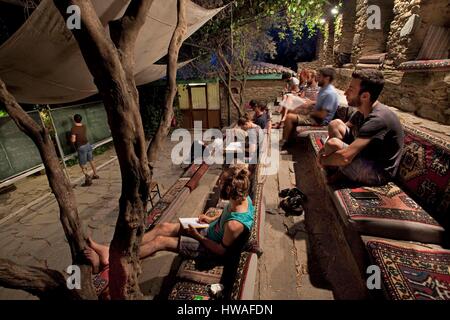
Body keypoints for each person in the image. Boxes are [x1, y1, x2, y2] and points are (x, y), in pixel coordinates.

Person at [84, 166, 255, 271]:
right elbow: (226, 212)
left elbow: (221, 251)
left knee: (160, 241)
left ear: (229, 192)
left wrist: (197, 236)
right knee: (163, 227)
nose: (218, 185)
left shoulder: (234, 225)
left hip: (209, 250)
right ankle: (111, 250)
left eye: (221, 184)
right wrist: (210, 219)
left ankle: (115, 260)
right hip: (209, 232)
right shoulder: (243, 197)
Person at [318, 69, 404, 186]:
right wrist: (326, 150)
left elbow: (345, 158)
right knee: (335, 124)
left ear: (365, 96)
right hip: (365, 155)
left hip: (377, 172)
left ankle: (337, 172)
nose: (345, 93)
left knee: (334, 144)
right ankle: (338, 169)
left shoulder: (378, 119)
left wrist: (323, 159)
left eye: (351, 90)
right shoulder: (362, 111)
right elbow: (343, 128)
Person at [280, 67, 339, 149]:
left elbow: (322, 115)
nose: (317, 78)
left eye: (320, 76)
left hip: (319, 121)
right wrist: (310, 104)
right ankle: (291, 140)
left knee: (289, 117)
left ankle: (286, 143)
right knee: (292, 109)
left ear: (327, 78)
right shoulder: (324, 90)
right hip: (315, 115)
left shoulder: (330, 94)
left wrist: (308, 111)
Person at [71, 114, 99, 184]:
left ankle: (88, 179)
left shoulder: (73, 128)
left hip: (81, 147)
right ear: (81, 119)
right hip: (88, 144)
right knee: (91, 160)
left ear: (74, 120)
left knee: (82, 164)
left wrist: (71, 139)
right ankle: (95, 174)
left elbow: (73, 140)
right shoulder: (84, 126)